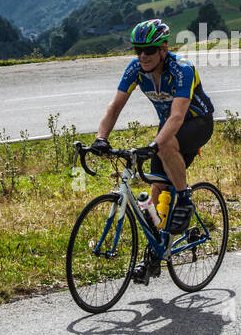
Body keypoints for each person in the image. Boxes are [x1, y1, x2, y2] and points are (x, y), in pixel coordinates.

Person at [91, 19, 214, 235]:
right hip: (168, 127)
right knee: (157, 185)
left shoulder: (183, 70)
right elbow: (115, 107)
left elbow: (177, 117)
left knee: (164, 145)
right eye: (138, 50)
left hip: (197, 122)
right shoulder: (136, 69)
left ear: (163, 50)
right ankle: (157, 249)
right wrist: (101, 138)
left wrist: (154, 145)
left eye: (149, 50)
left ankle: (184, 200)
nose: (143, 56)